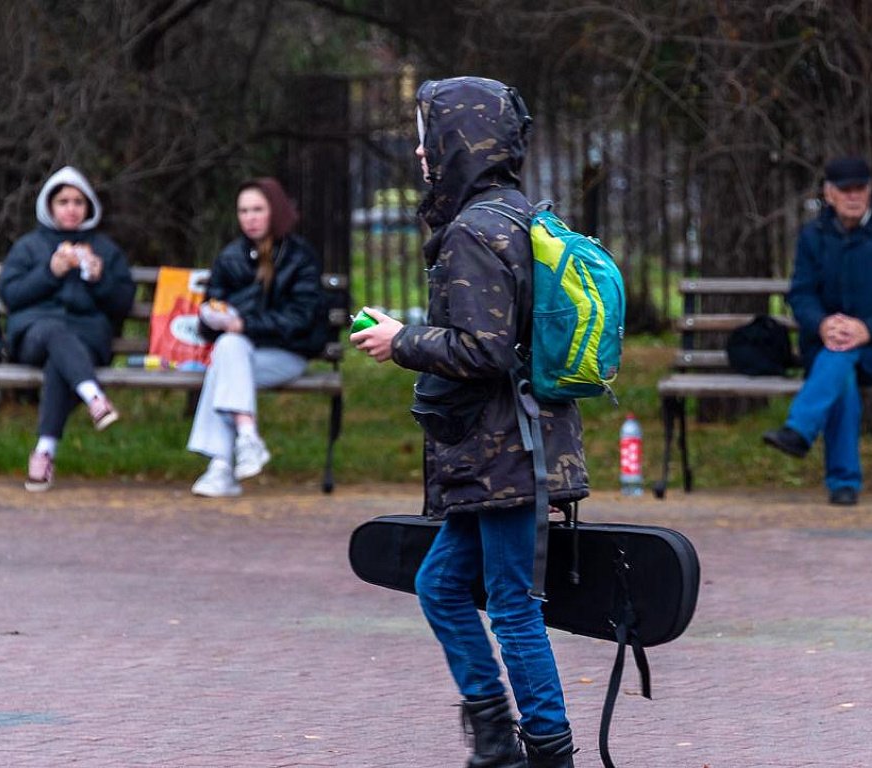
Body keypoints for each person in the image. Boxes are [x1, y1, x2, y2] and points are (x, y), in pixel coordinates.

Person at [351, 77, 587, 768]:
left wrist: (401, 340)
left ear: (460, 143)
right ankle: (493, 741)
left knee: (513, 606)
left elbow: (483, 348)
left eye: (428, 139)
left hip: (507, 452)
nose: (420, 153)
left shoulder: (476, 231)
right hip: (507, 450)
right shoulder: (519, 215)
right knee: (442, 586)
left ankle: (546, 752)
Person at [762, 156, 872, 506]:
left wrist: (867, 328)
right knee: (841, 372)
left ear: (870, 189)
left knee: (840, 355)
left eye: (860, 188)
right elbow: (801, 294)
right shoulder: (813, 237)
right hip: (828, 349)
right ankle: (844, 484)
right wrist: (822, 324)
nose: (853, 196)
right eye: (845, 189)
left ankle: (801, 430)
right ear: (829, 193)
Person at [0, 166, 135, 492]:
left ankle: (44, 452)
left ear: (89, 207)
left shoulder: (103, 248)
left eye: (78, 201)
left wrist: (97, 278)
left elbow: (122, 303)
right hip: (34, 335)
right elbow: (11, 295)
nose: (71, 209)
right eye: (63, 201)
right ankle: (94, 397)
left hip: (86, 339)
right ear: (49, 206)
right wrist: (51, 272)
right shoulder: (30, 246)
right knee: (54, 333)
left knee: (59, 363)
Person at [187, 177, 323, 498]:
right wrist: (213, 319)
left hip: (285, 354)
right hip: (237, 354)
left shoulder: (299, 256)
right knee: (228, 349)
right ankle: (246, 438)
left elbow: (300, 320)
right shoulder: (230, 256)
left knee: (226, 355)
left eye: (257, 209)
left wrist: (243, 324)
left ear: (274, 211)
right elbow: (209, 317)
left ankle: (220, 466)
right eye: (243, 210)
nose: (250, 217)